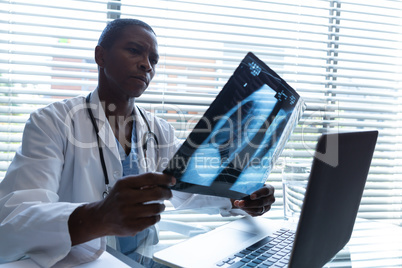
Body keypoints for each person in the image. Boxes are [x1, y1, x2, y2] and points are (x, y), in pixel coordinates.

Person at [0, 18, 275, 267]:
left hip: (146, 260)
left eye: (153, 59)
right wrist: (98, 216)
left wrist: (239, 197)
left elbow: (188, 185)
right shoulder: (53, 122)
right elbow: (13, 221)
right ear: (101, 56)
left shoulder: (159, 130)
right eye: (134, 51)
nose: (147, 64)